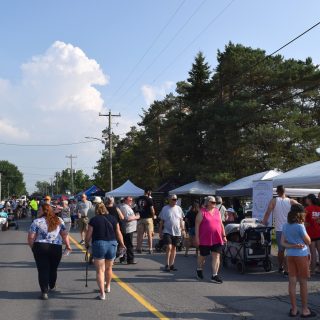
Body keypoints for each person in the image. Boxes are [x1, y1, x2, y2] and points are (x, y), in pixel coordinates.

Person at [27, 203, 71, 300]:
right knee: (53, 268)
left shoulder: (36, 222)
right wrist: (68, 245)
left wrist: (33, 248)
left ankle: (44, 292)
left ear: (44, 211)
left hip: (40, 247)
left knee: (42, 269)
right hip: (56, 247)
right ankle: (51, 285)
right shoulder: (59, 220)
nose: (38, 211)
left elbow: (31, 237)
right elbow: (64, 234)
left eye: (39, 210)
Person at [281, 204, 316, 318]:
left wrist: (293, 245)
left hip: (290, 255)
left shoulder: (285, 225)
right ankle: (305, 310)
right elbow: (308, 241)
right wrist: (299, 243)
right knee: (303, 283)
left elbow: (282, 243)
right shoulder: (300, 226)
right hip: (301, 256)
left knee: (292, 283)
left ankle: (294, 309)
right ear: (300, 214)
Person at [85, 203, 125, 300]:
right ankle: (108, 287)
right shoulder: (113, 218)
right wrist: (122, 244)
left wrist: (86, 243)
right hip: (112, 243)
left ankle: (102, 293)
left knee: (100, 270)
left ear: (96, 210)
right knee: (109, 268)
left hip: (99, 244)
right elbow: (118, 232)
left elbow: (89, 234)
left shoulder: (94, 220)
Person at [262, 185, 298, 274]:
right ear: (285, 191)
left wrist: (264, 221)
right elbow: (301, 208)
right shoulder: (291, 201)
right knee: (289, 249)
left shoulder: (274, 201)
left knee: (281, 250)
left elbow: (268, 212)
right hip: (290, 228)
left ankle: (281, 267)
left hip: (279, 229)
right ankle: (287, 269)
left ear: (277, 192)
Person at [195, 196, 227, 283]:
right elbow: (197, 225)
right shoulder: (202, 212)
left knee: (216, 256)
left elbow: (221, 224)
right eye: (213, 202)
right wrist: (197, 238)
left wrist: (224, 235)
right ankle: (199, 269)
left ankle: (214, 275)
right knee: (203, 256)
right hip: (204, 238)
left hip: (217, 238)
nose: (214, 204)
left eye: (215, 202)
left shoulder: (217, 211)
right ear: (207, 203)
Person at [159, 194, 184, 272]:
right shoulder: (165, 208)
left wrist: (183, 229)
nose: (175, 201)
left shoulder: (179, 208)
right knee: (169, 247)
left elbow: (181, 220)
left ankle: (171, 264)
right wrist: (160, 231)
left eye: (176, 199)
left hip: (177, 231)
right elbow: (161, 221)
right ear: (169, 200)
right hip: (167, 231)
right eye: (173, 199)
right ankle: (166, 264)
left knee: (174, 248)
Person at [119, 196, 140, 264]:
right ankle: (130, 259)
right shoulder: (124, 207)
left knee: (125, 244)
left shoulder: (126, 207)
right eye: (130, 200)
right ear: (125, 200)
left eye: (131, 200)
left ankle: (123, 258)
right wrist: (136, 217)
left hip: (129, 228)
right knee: (129, 244)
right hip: (128, 228)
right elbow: (127, 218)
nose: (131, 201)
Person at [136, 189, 155, 254]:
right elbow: (152, 209)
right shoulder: (149, 199)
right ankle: (150, 249)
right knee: (149, 235)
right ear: (149, 192)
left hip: (141, 218)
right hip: (148, 218)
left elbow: (137, 208)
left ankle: (139, 248)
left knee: (140, 235)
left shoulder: (138, 199)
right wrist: (154, 215)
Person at [304, 194, 320, 275]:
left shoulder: (307, 209)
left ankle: (313, 270)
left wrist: (306, 224)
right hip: (318, 232)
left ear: (309, 199)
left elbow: (301, 220)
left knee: (313, 252)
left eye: (306, 198)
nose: (305, 200)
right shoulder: (319, 209)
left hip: (311, 233)